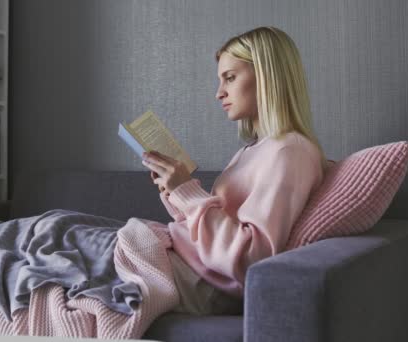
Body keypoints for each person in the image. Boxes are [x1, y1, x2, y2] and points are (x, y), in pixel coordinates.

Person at [141, 26, 328, 315]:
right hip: (185, 263)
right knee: (55, 228)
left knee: (56, 234)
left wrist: (188, 194)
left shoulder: (289, 152)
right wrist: (176, 194)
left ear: (267, 77)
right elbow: (214, 233)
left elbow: (251, 258)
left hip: (199, 280)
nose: (219, 93)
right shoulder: (250, 152)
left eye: (230, 78)